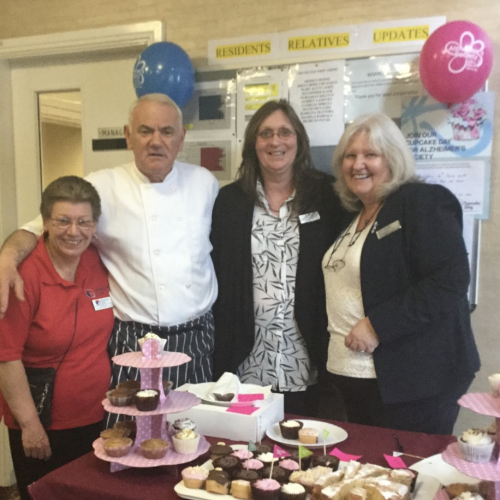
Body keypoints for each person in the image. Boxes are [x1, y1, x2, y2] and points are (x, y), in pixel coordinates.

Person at [0, 94, 219, 426]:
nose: (156, 141)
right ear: (128, 135)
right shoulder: (101, 185)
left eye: (167, 131)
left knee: (193, 434)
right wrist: (6, 258)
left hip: (196, 337)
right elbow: (36, 228)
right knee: (129, 438)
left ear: (181, 137)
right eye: (145, 131)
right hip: (132, 339)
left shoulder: (206, 183)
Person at [322, 113, 480, 434]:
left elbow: (449, 281)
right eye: (350, 156)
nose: (358, 164)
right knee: (368, 474)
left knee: (407, 475)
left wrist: (378, 326)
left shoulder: (422, 202)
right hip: (354, 375)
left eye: (371, 154)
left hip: (415, 380)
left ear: (392, 159)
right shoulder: (352, 217)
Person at [211, 100, 346, 416]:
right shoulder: (229, 203)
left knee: (306, 452)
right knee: (249, 454)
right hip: (246, 360)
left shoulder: (328, 196)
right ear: (253, 144)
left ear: (298, 140)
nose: (275, 141)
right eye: (265, 133)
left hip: (309, 357)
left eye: (285, 132)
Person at [0, 176, 114, 500]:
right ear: (45, 224)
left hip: (95, 419)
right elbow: (6, 356)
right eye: (62, 221)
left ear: (94, 226)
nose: (73, 231)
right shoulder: (23, 275)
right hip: (43, 427)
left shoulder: (96, 260)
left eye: (83, 222)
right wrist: (30, 426)